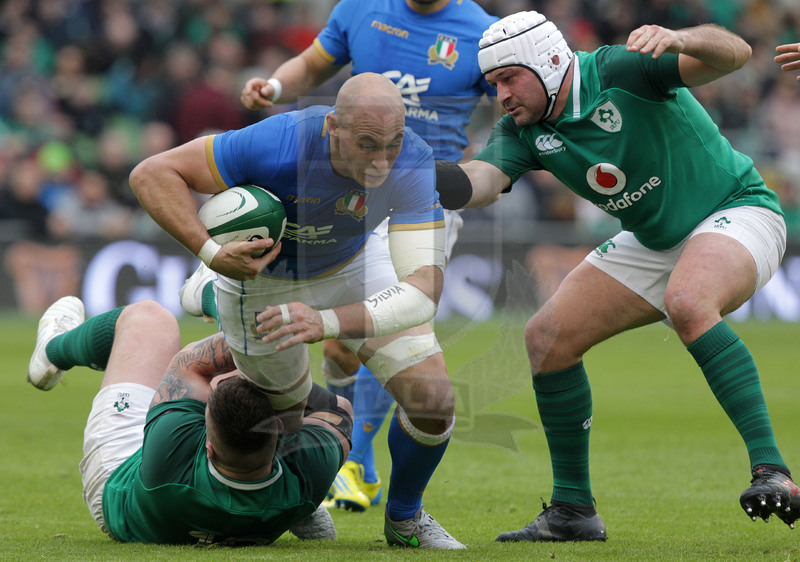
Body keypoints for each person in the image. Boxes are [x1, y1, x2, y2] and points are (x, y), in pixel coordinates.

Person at [449, 11, 800, 541]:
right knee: (546, 337)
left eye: (508, 78)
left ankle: (773, 471)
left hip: (737, 209)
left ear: (548, 62)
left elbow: (736, 54)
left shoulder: (621, 69)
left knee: (688, 301)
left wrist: (680, 38)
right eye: (493, 84)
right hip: (654, 239)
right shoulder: (523, 129)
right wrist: (422, 177)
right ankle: (572, 511)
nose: (500, 95)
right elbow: (481, 181)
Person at [129, 72, 464, 549]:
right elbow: (151, 173)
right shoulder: (276, 144)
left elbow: (423, 292)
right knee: (281, 423)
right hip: (265, 281)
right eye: (368, 145)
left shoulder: (412, 160)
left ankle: (405, 519)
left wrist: (325, 322)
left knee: (434, 399)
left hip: (353, 262)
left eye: (392, 143)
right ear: (333, 127)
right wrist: (211, 253)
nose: (382, 161)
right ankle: (211, 287)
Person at [225, 0, 497, 512]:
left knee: (392, 320)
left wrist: (491, 168)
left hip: (420, 196)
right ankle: (360, 467)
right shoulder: (360, 9)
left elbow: (510, 107)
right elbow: (312, 64)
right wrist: (276, 87)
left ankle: (351, 462)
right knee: (340, 347)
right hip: (350, 190)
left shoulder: (483, 33)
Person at [26, 295, 353, 545]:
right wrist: (282, 380)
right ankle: (298, 510)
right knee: (241, 384)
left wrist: (225, 301)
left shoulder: (171, 447)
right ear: (281, 431)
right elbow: (340, 409)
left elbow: (191, 364)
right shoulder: (315, 465)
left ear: (206, 446)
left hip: (123, 488)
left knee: (151, 320)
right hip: (278, 495)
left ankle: (52, 352)